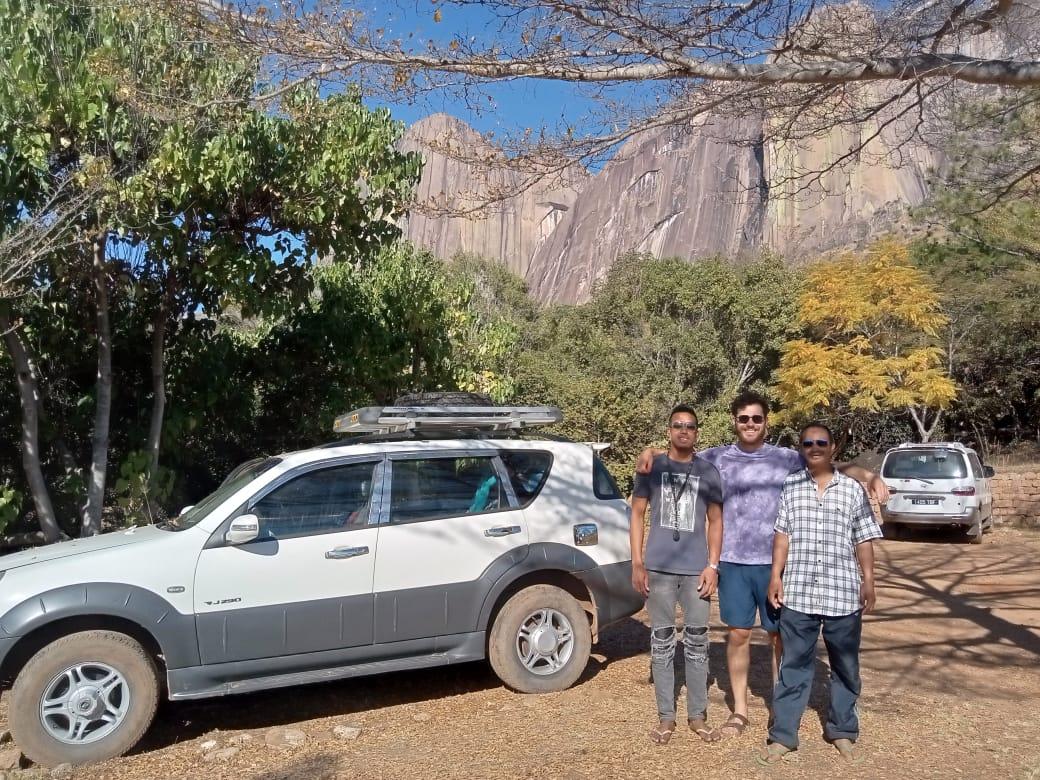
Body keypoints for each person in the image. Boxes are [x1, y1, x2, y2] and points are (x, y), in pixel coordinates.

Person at [635, 391, 888, 741]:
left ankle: (777, 706)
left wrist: (868, 474)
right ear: (735, 422)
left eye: (757, 418)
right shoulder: (717, 457)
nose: (750, 424)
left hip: (774, 565)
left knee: (776, 637)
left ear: (766, 422)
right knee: (737, 634)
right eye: (744, 419)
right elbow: (679, 456)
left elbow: (830, 464)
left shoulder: (786, 458)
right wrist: (649, 452)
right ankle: (739, 711)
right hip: (732, 563)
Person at [759, 423, 883, 766]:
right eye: (807, 443)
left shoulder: (852, 490)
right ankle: (783, 735)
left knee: (845, 666)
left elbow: (864, 538)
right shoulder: (792, 485)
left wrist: (868, 580)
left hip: (843, 593)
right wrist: (775, 576)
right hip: (798, 593)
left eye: (821, 442)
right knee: (793, 666)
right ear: (801, 447)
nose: (814, 447)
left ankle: (842, 730)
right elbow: (782, 534)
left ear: (832, 448)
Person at [630, 404, 724, 746]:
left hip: (696, 572)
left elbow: (716, 520)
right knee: (662, 643)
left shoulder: (709, 472)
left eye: (690, 426)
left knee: (698, 643)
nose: (683, 430)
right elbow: (637, 514)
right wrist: (637, 562)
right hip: (658, 570)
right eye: (677, 425)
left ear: (697, 433)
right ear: (669, 430)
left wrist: (713, 565)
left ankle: (697, 715)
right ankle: (666, 717)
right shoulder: (651, 468)